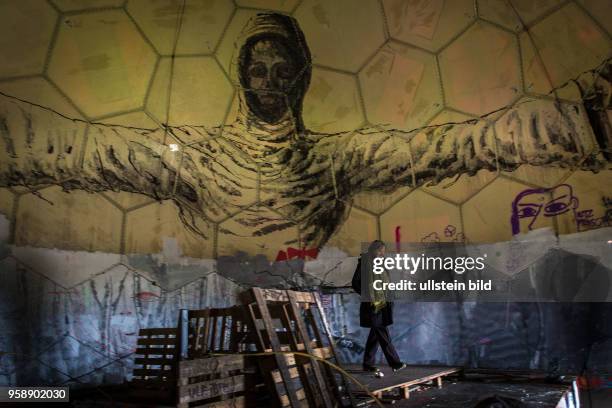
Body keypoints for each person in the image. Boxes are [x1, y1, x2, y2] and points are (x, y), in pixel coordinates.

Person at [352, 240, 406, 372]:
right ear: (372, 250)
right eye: (380, 250)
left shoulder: (381, 264)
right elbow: (355, 283)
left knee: (375, 335)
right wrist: (367, 295)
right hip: (372, 305)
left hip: (382, 304)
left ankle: (367, 364)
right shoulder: (365, 263)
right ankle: (395, 362)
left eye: (383, 251)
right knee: (382, 331)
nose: (382, 253)